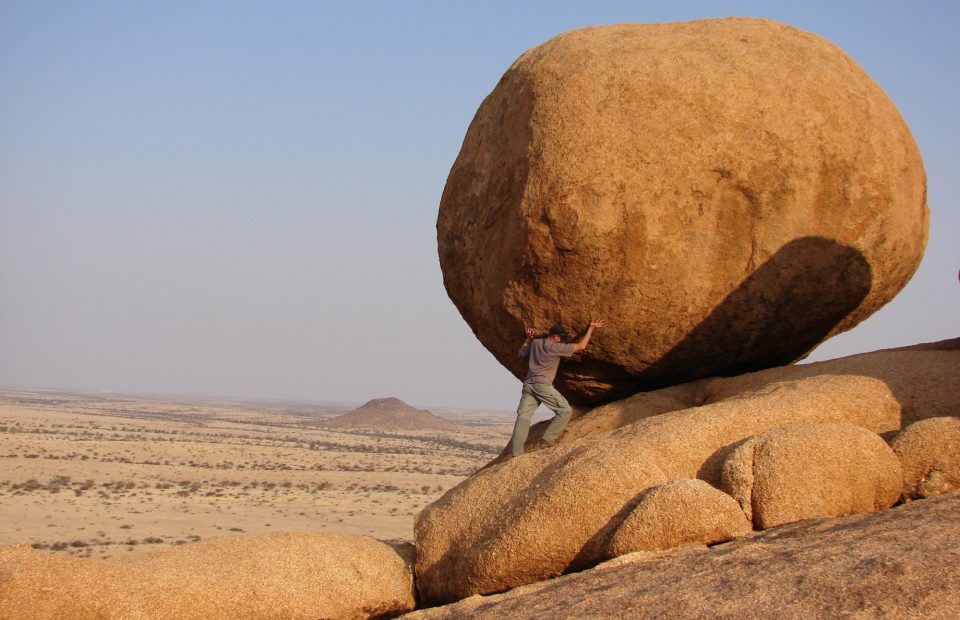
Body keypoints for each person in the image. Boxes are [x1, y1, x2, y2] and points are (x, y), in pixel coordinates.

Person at [509, 319, 605, 457]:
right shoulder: (555, 347)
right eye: (561, 338)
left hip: (528, 385)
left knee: (523, 418)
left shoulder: (535, 343)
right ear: (555, 337)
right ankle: (548, 439)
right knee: (565, 410)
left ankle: (516, 453)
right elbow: (581, 346)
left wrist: (527, 339)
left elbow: (521, 354)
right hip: (542, 385)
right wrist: (591, 328)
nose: (562, 341)